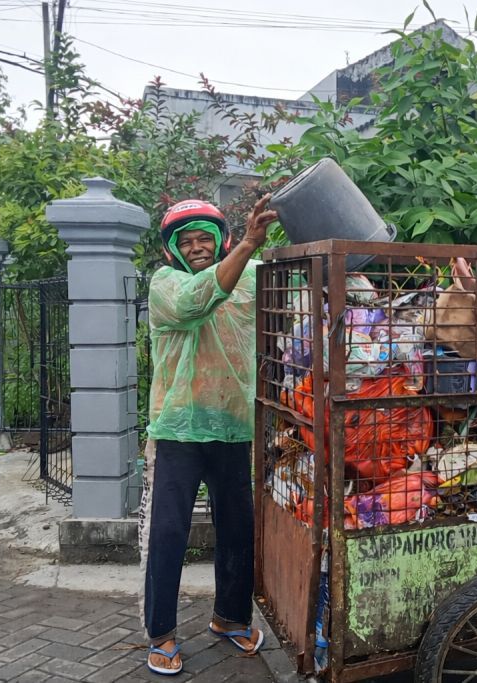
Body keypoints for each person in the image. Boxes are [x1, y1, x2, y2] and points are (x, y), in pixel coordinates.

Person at [139, 194, 277, 676]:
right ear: (173, 250)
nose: (198, 247)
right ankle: (161, 633)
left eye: (206, 239)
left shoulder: (253, 277)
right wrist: (249, 245)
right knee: (170, 533)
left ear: (222, 241)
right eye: (189, 241)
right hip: (179, 429)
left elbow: (300, 289)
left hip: (234, 426)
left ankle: (230, 619)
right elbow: (196, 301)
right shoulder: (165, 283)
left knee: (239, 528)